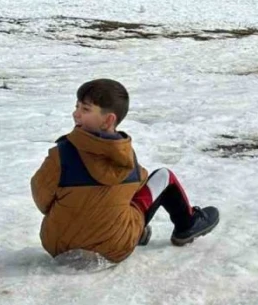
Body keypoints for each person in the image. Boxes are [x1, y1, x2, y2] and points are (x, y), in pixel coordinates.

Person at [32, 79, 219, 263]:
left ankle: (133, 230)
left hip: (59, 246)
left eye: (85, 109)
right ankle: (186, 225)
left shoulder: (60, 154)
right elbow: (140, 183)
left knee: (105, 197)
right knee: (163, 177)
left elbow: (43, 202)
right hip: (113, 249)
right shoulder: (125, 156)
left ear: (109, 119)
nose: (76, 114)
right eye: (77, 106)